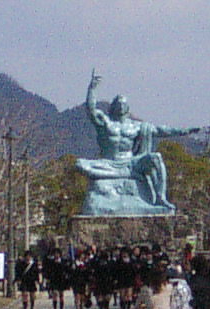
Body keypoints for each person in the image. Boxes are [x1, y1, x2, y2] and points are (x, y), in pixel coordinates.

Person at [74, 72, 200, 214]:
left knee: (156, 157)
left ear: (128, 108)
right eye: (118, 103)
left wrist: (186, 131)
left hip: (132, 163)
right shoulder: (105, 123)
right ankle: (118, 175)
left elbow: (162, 130)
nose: (121, 106)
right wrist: (92, 89)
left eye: (124, 104)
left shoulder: (136, 126)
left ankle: (160, 198)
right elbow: (91, 111)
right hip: (108, 162)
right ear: (113, 106)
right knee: (80, 164)